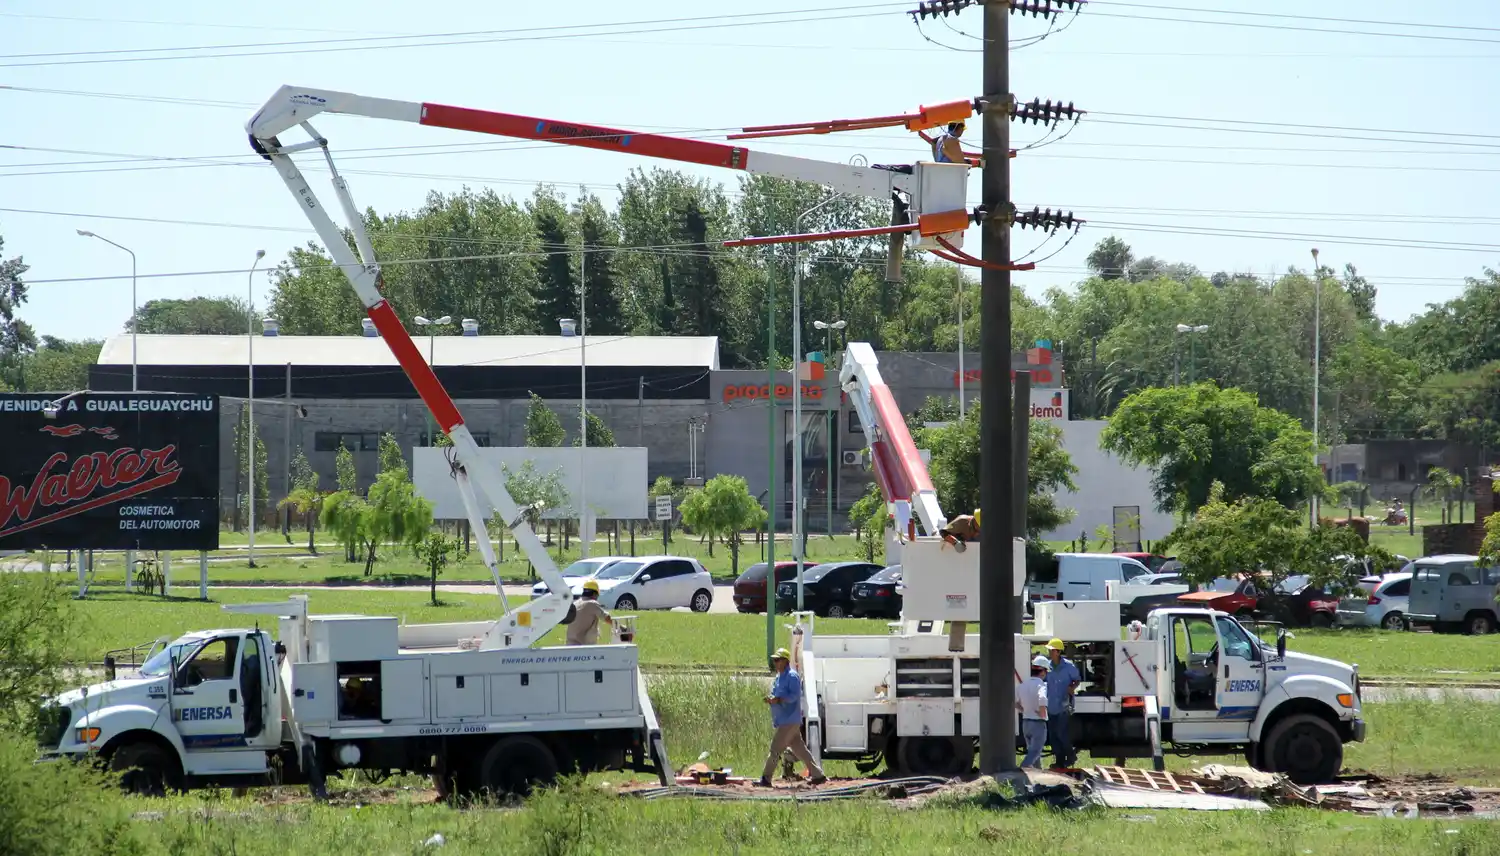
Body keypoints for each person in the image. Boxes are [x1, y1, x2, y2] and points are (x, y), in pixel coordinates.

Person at [758, 647, 827, 787]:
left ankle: (766, 778)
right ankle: (818, 775)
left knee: (775, 749)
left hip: (789, 721)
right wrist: (771, 699)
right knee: (800, 750)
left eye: (778, 660)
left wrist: (779, 699)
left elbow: (795, 696)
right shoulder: (778, 677)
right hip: (784, 720)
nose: (775, 663)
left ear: (785, 661)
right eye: (774, 660)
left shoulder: (792, 676)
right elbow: (775, 693)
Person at [1043, 638, 1082, 768]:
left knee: (1061, 732)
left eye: (1051, 650)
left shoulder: (1069, 667)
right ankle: (1059, 762)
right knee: (1053, 735)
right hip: (1051, 706)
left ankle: (1070, 756)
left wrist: (1073, 687)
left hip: (1064, 705)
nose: (1049, 652)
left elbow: (1077, 679)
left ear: (1058, 652)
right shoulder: (1047, 667)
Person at [1016, 655, 1051, 768]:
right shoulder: (1041, 685)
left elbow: (1013, 701)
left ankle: (1037, 773)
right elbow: (1042, 698)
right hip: (1038, 724)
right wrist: (1042, 713)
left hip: (1026, 723)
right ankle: (1021, 770)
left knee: (1033, 752)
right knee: (1035, 752)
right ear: (1042, 672)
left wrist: (1024, 709)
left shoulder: (1022, 685)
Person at [565, 579, 614, 645]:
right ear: (594, 594)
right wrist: (621, 627)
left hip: (570, 647)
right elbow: (607, 619)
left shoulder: (575, 604)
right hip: (584, 649)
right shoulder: (592, 603)